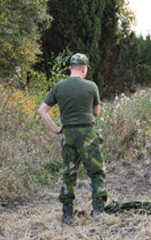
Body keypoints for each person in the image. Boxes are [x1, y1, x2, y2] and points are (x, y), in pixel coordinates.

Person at [38, 53, 107, 225]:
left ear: (70, 68)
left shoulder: (59, 87)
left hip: (68, 133)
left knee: (69, 173)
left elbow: (42, 111)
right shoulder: (91, 86)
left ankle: (67, 214)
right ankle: (98, 210)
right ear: (84, 69)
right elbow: (97, 113)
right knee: (96, 171)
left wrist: (56, 129)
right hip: (87, 134)